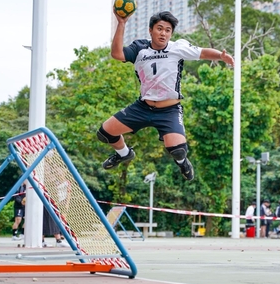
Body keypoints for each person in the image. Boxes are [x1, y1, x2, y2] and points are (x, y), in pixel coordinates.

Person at [97, 10, 234, 181]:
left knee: (178, 150)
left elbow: (203, 53)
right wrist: (122, 23)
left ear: (171, 34)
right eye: (159, 29)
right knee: (105, 133)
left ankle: (183, 162)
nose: (163, 33)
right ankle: (124, 153)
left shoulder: (178, 48)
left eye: (168, 30)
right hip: (143, 107)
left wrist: (221, 56)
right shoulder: (139, 48)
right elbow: (117, 54)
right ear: (150, 30)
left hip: (169, 110)